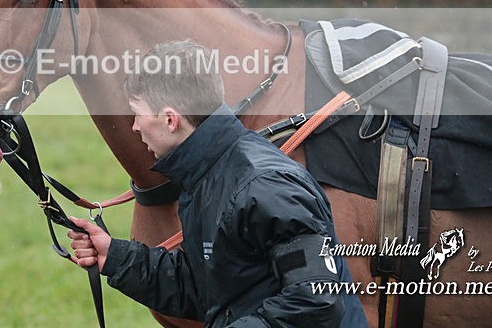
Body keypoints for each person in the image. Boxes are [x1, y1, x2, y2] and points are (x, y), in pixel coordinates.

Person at [68, 40, 367, 327]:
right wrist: (116, 257)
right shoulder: (208, 176)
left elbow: (315, 302)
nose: (134, 126)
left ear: (171, 120)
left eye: (138, 113)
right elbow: (209, 289)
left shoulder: (268, 187)